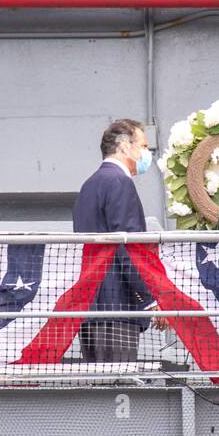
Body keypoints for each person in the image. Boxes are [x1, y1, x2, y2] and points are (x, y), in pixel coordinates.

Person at [72, 119, 166, 363]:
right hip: (116, 305)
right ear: (125, 147)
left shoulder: (89, 185)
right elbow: (128, 247)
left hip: (91, 304)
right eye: (144, 146)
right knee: (118, 386)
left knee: (99, 390)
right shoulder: (119, 182)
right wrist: (151, 299)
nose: (147, 153)